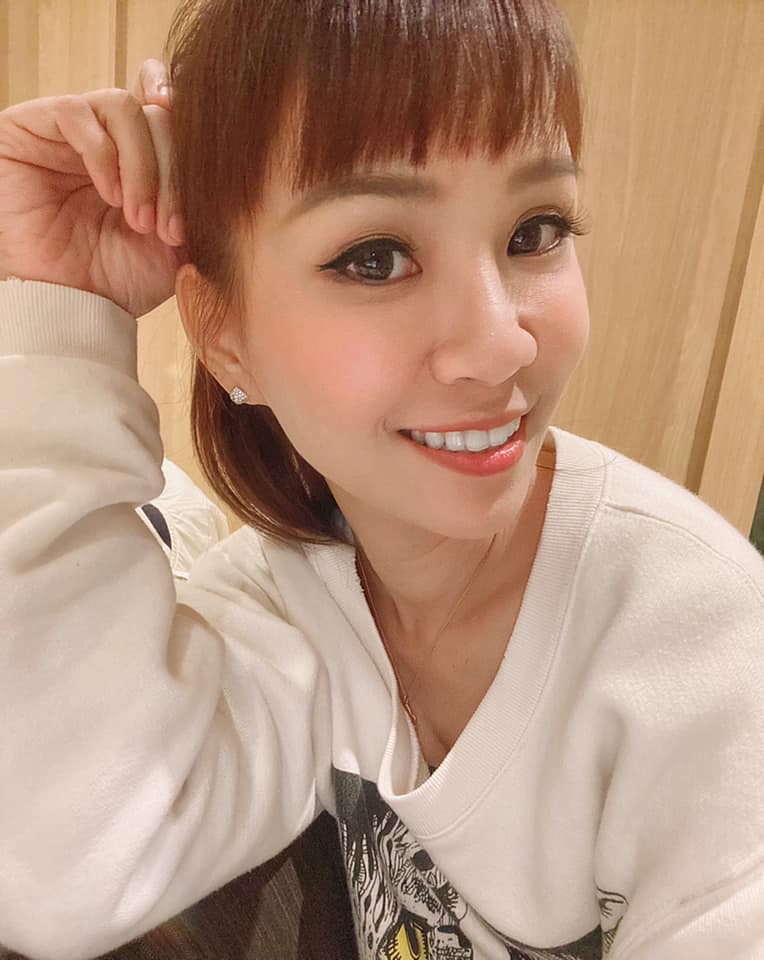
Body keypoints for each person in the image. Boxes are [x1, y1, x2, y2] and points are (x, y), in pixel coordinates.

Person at [0, 1, 762, 958]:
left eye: (536, 230)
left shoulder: (706, 654)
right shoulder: (287, 601)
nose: (500, 343)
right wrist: (59, 309)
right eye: (377, 258)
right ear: (223, 334)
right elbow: (65, 863)